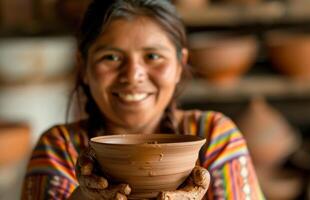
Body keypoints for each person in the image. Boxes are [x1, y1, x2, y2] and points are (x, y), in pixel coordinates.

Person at [21, 0, 265, 199]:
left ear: (180, 65)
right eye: (111, 58)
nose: (132, 75)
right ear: (83, 67)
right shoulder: (60, 146)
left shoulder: (213, 135)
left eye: (152, 56)